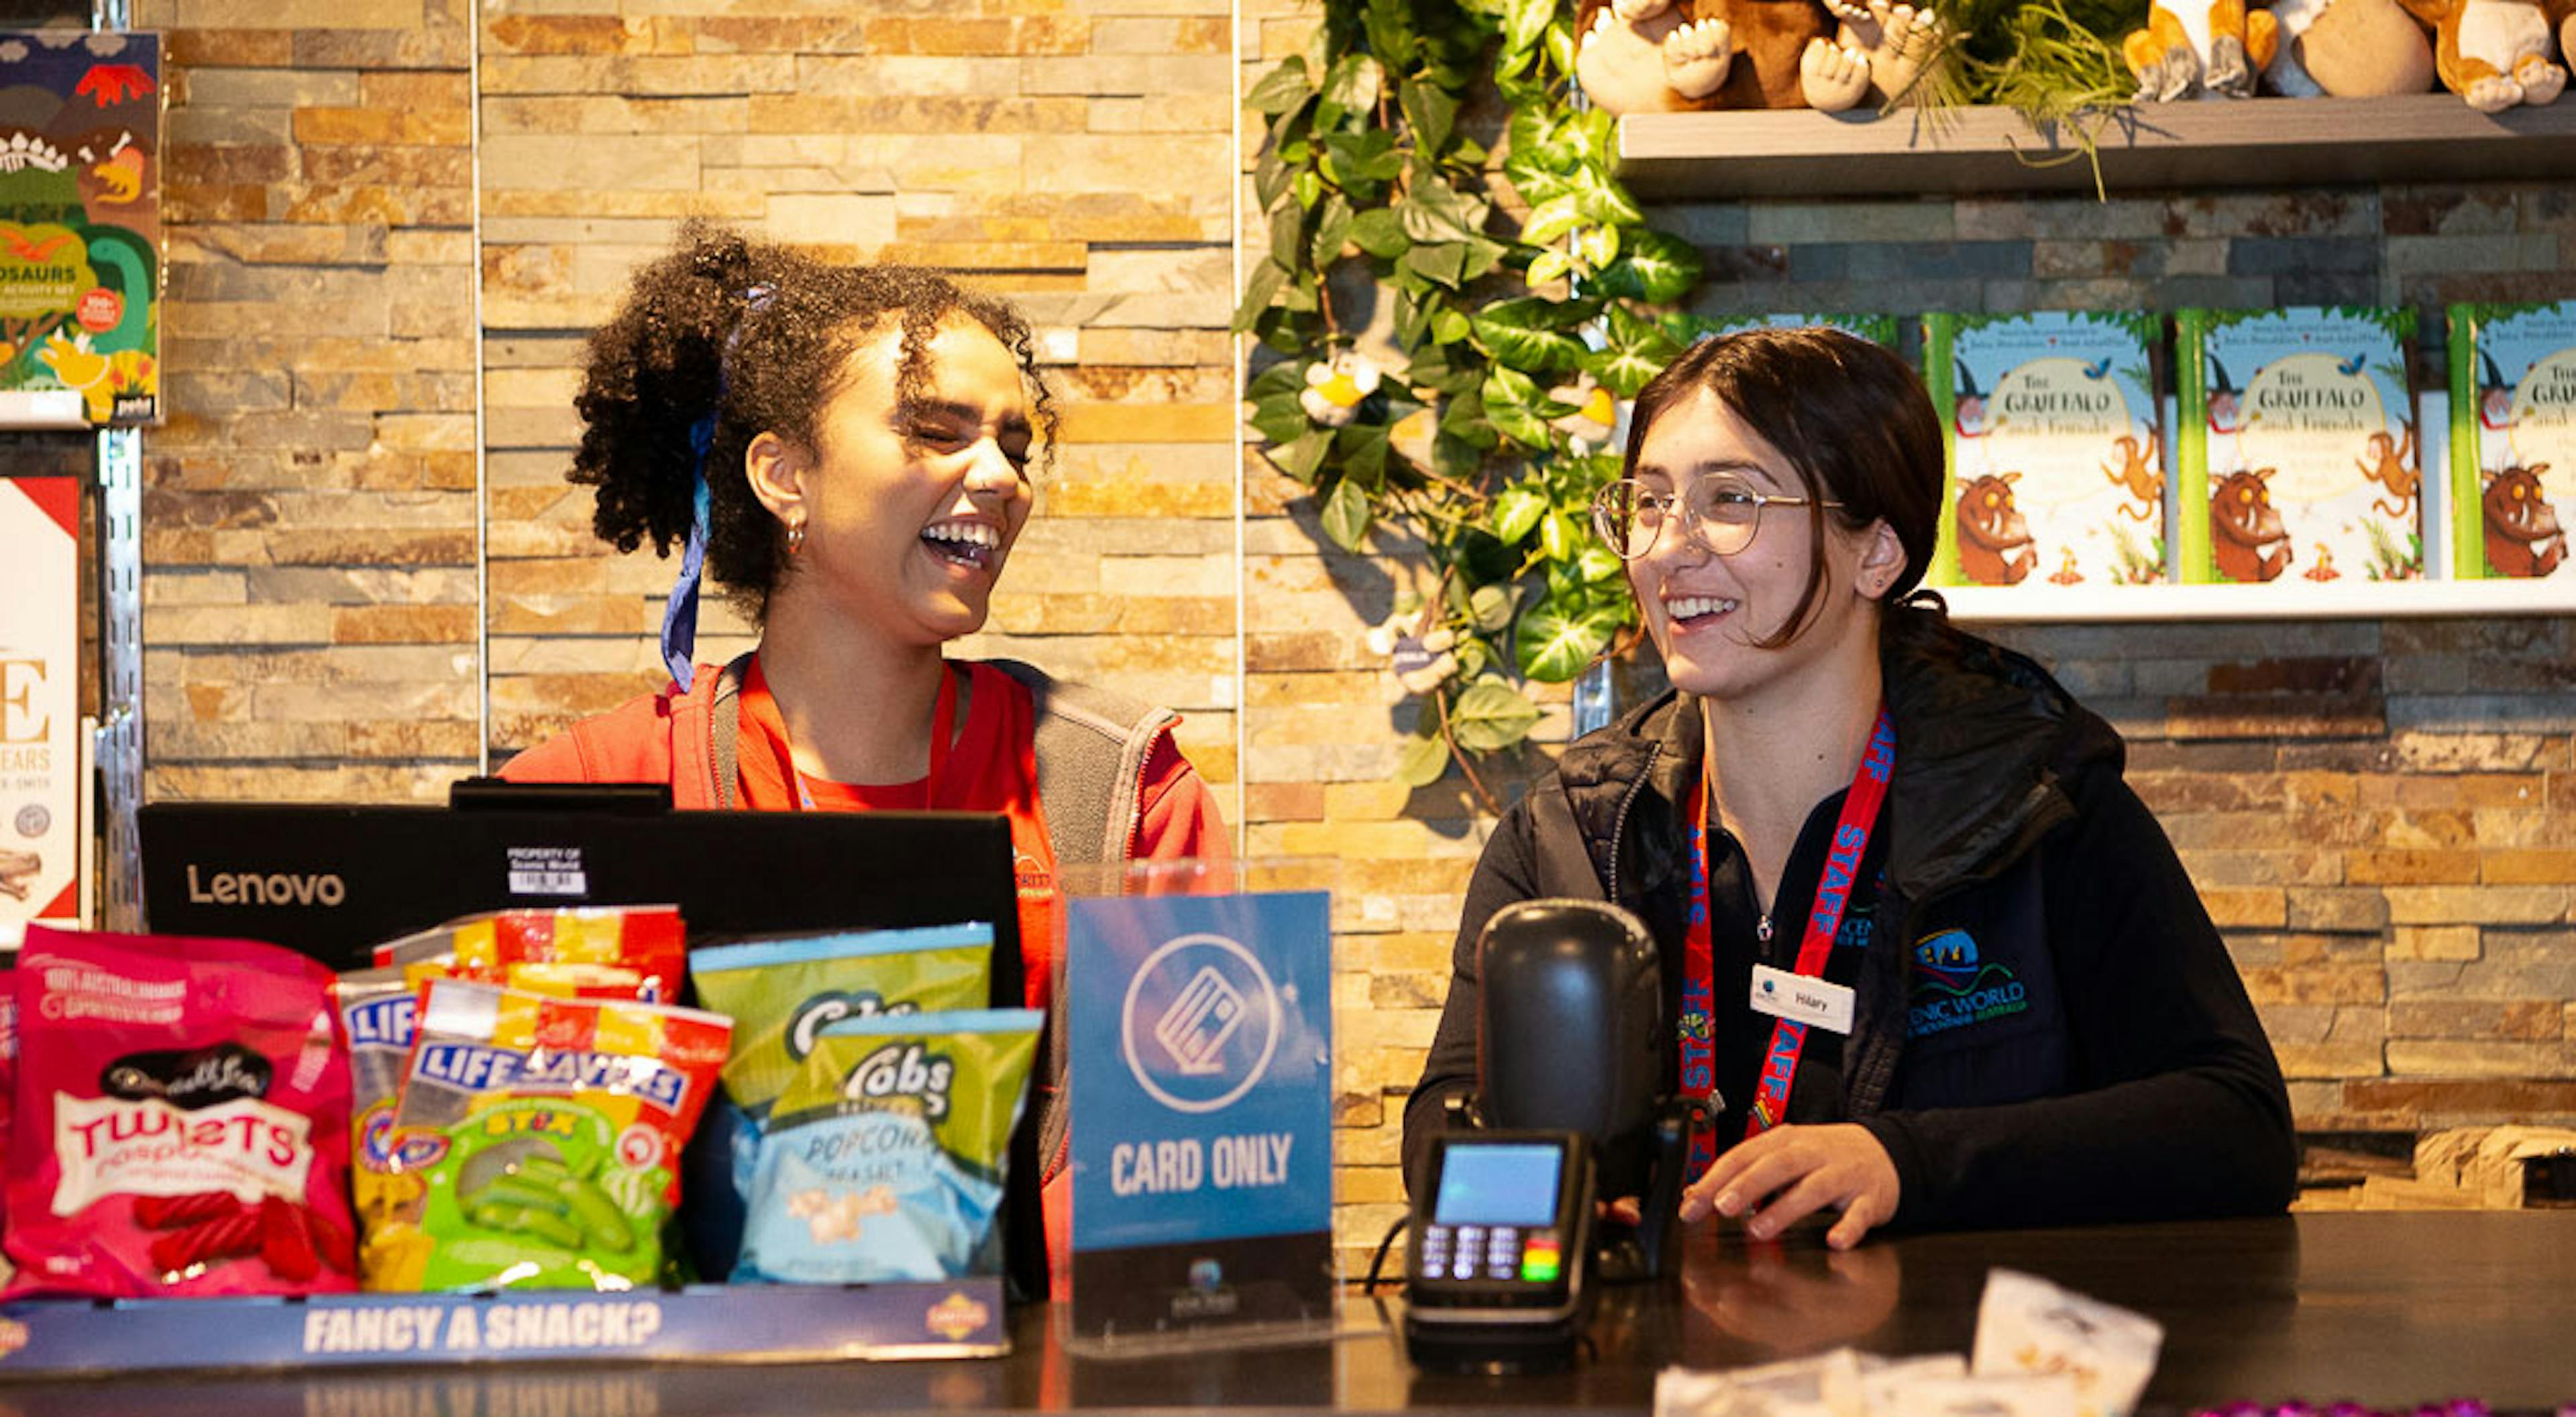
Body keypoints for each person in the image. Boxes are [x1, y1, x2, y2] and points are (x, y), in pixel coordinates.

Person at [1403, 327, 2296, 1251]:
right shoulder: (1572, 833)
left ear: (1878, 554)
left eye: (1730, 500)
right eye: (1650, 503)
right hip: (1656, 1375)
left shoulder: (2036, 806)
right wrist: (1544, 1192)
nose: (1668, 549)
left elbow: (2238, 1126)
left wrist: (1908, 1163)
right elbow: (1446, 1116)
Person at [503, 222, 1229, 1290]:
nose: (1000, 478)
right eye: (936, 430)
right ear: (784, 476)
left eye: (1015, 448)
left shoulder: (1125, 793)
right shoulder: (582, 797)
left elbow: (1206, 1152)